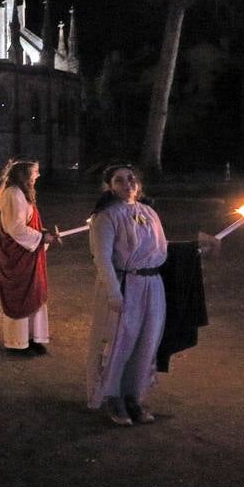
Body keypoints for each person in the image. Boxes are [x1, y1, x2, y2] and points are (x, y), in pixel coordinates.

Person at [87, 163, 168, 426]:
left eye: (131, 178)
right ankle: (113, 396)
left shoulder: (149, 213)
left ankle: (134, 395)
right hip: (125, 285)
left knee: (146, 341)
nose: (128, 184)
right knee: (120, 342)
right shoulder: (106, 217)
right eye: (120, 180)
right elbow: (103, 259)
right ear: (109, 187)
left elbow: (160, 249)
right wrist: (113, 293)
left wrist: (197, 249)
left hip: (151, 286)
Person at [0, 159, 58, 354]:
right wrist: (41, 238)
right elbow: (15, 228)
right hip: (19, 255)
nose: (37, 176)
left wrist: (42, 232)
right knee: (21, 294)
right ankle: (17, 342)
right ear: (24, 175)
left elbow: (25, 222)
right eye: (34, 172)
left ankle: (32, 338)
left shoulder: (21, 194)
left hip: (29, 253)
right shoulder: (13, 194)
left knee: (33, 292)